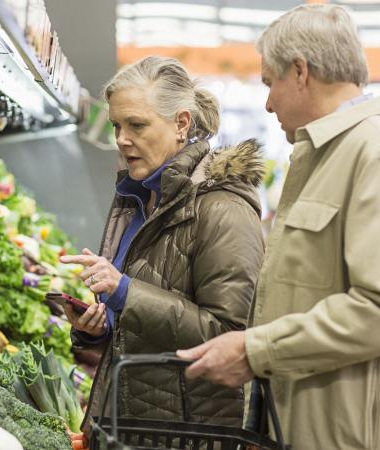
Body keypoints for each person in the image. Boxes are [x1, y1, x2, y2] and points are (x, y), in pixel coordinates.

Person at [177, 4, 380, 450]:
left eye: (270, 82)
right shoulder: (327, 157)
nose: (267, 102)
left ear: (300, 72)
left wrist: (256, 350)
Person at [59, 56, 265, 428]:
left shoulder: (223, 208)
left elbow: (229, 335)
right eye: (117, 125)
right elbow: (145, 327)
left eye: (137, 125)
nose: (122, 139)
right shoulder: (136, 195)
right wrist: (100, 328)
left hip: (184, 431)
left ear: (181, 123)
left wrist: (124, 291)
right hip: (131, 422)